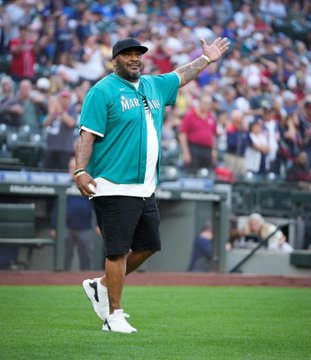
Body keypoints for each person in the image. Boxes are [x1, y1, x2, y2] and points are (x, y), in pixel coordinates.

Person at [75, 36, 230, 334]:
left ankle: (101, 286)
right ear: (115, 59)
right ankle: (114, 316)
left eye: (138, 54)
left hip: (146, 187)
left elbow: (180, 75)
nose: (134, 58)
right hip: (112, 183)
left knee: (147, 246)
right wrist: (80, 169)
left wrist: (206, 59)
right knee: (117, 251)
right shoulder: (102, 91)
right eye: (128, 54)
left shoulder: (152, 85)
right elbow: (87, 135)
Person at [50, 157, 95, 270]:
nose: (72, 170)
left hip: (85, 228)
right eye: (70, 168)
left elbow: (97, 207)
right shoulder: (64, 187)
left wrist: (99, 225)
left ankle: (87, 282)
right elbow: (56, 209)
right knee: (64, 258)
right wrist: (54, 227)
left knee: (86, 259)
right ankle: (62, 283)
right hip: (66, 228)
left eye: (75, 168)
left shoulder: (89, 187)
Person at [178, 94, 217, 175]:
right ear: (200, 103)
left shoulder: (211, 116)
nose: (207, 106)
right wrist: (186, 153)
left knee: (207, 173)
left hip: (207, 149)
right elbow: (182, 134)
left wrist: (213, 150)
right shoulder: (190, 115)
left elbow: (213, 135)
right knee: (192, 174)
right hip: (194, 148)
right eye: (205, 103)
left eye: (209, 104)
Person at [42, 89, 77, 170]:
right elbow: (45, 124)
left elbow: (71, 123)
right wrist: (51, 113)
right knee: (47, 171)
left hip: (65, 148)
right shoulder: (54, 110)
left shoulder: (72, 110)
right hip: (51, 147)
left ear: (69, 100)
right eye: (62, 97)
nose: (64, 100)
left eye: (66, 98)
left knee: (64, 172)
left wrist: (60, 111)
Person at [228, 213, 293, 253]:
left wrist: (278, 243)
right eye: (252, 224)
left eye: (256, 223)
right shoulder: (247, 232)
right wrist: (245, 232)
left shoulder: (270, 228)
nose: (254, 226)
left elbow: (282, 239)